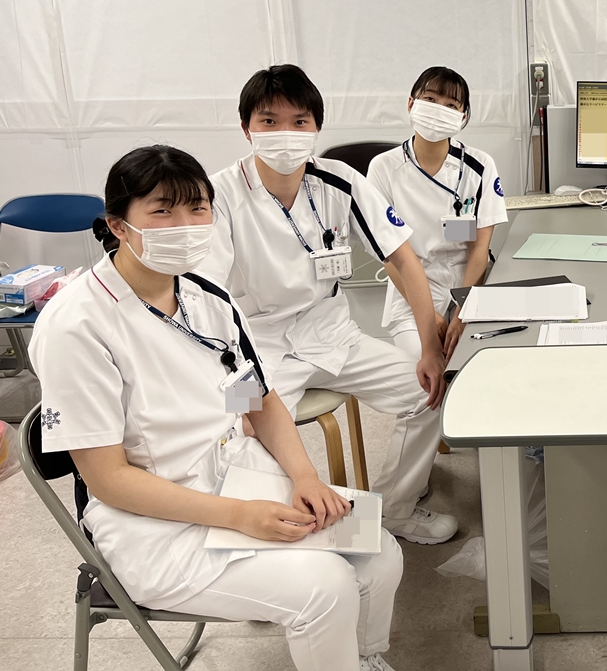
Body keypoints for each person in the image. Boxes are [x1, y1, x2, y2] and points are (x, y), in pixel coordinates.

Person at [31, 146, 404, 671]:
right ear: (117, 225)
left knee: (380, 551)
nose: (185, 225)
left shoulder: (209, 298)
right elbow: (108, 480)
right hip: (153, 524)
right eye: (163, 211)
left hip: (237, 480)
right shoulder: (77, 325)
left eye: (197, 208)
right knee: (327, 587)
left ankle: (362, 659)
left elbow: (257, 403)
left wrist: (305, 478)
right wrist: (241, 517)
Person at [201, 65, 457, 544]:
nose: (285, 133)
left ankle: (395, 509)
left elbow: (404, 259)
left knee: (430, 392)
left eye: (299, 121)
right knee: (236, 431)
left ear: (316, 127)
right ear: (246, 128)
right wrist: (237, 384)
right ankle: (278, 536)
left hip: (335, 335)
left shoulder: (340, 181)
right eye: (269, 121)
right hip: (259, 348)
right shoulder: (219, 196)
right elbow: (207, 296)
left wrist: (429, 348)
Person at [367, 66, 508, 360]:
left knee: (477, 363)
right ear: (411, 104)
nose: (438, 109)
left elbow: (480, 249)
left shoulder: (480, 165)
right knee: (425, 371)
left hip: (470, 284)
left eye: (451, 105)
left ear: (463, 117)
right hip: (412, 289)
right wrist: (427, 313)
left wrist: (464, 310)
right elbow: (389, 257)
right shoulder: (384, 168)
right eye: (430, 99)